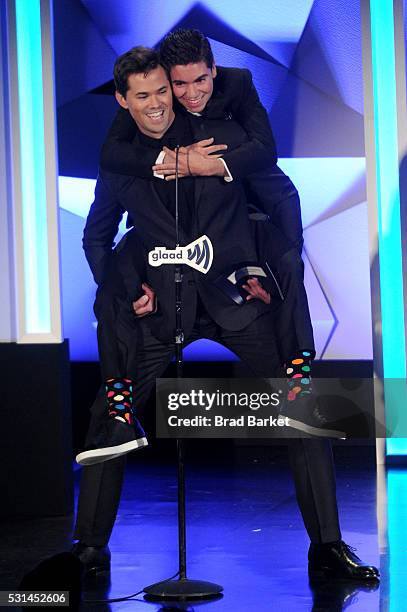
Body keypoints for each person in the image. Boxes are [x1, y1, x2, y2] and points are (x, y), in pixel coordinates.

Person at [72, 46, 379, 584]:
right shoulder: (124, 159)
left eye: (164, 91)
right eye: (144, 95)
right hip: (161, 311)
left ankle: (327, 548)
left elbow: (279, 199)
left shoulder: (227, 143)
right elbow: (97, 236)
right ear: (125, 101)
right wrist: (127, 287)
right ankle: (89, 552)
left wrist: (273, 267)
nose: (161, 103)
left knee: (301, 401)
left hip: (234, 302)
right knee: (110, 410)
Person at [100, 29, 322, 436]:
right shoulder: (146, 101)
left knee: (289, 262)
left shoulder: (237, 91)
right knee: (114, 281)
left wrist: (210, 166)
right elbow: (111, 154)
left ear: (214, 71)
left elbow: (267, 157)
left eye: (200, 80)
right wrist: (176, 159)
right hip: (167, 263)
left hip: (243, 217)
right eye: (177, 85)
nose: (188, 94)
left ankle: (300, 372)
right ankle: (117, 405)